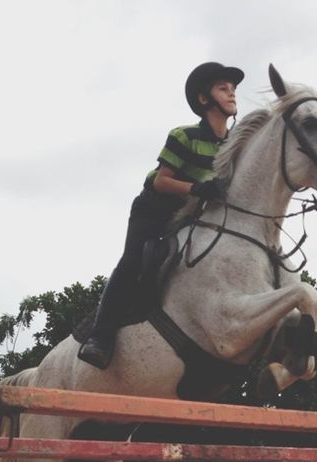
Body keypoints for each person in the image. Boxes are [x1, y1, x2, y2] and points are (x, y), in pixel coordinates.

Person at [78, 61, 244, 369]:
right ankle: (99, 338)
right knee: (133, 261)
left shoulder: (233, 144)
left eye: (233, 89)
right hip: (155, 209)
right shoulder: (184, 136)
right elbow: (161, 181)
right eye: (223, 88)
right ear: (204, 99)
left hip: (193, 213)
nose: (232, 93)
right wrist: (197, 188)